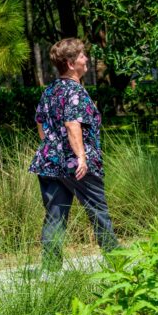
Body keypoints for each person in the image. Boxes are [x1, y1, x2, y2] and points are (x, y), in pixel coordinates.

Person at [29, 38, 118, 270]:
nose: (86, 59)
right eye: (81, 56)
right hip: (76, 165)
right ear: (70, 63)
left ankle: (50, 270)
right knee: (98, 211)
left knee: (55, 216)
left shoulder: (50, 91)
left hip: (50, 162)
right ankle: (118, 264)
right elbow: (72, 124)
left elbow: (40, 123)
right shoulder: (75, 91)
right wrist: (81, 157)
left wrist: (52, 147)